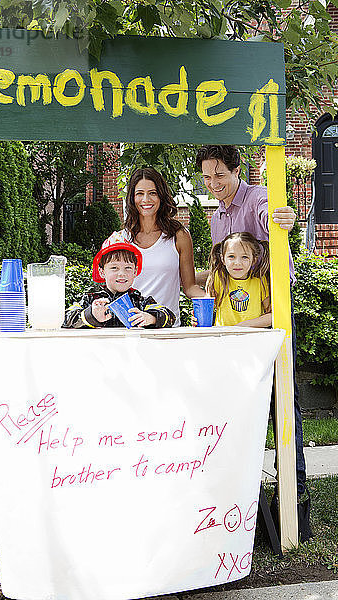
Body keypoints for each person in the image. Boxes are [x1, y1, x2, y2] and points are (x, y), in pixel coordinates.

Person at [195, 144, 311, 541]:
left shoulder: (256, 198)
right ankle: (239, 505)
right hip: (233, 333)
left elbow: (273, 214)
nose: (214, 184)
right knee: (236, 411)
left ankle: (294, 502)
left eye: (219, 176)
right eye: (207, 178)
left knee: (283, 407)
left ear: (236, 170)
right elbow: (215, 276)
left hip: (270, 320)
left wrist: (285, 218)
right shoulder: (215, 218)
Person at [120, 166, 206, 326]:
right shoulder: (122, 239)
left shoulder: (179, 235)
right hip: (132, 329)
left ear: (161, 196)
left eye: (152, 193)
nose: (146, 199)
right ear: (132, 198)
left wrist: (210, 301)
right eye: (140, 194)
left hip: (168, 328)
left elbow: (190, 287)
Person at [62, 238, 175, 329]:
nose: (122, 274)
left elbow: (169, 316)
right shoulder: (91, 299)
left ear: (135, 271)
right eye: (114, 268)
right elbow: (65, 318)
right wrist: (91, 315)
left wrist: (151, 318)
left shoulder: (140, 301)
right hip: (98, 353)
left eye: (128, 268)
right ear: (102, 272)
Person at [193, 232, 271, 328]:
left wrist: (242, 326)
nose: (237, 263)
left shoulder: (260, 281)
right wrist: (198, 319)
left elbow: (271, 316)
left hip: (252, 337)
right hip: (223, 337)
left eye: (244, 257)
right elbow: (206, 308)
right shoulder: (218, 277)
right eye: (231, 257)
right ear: (223, 259)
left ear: (254, 260)